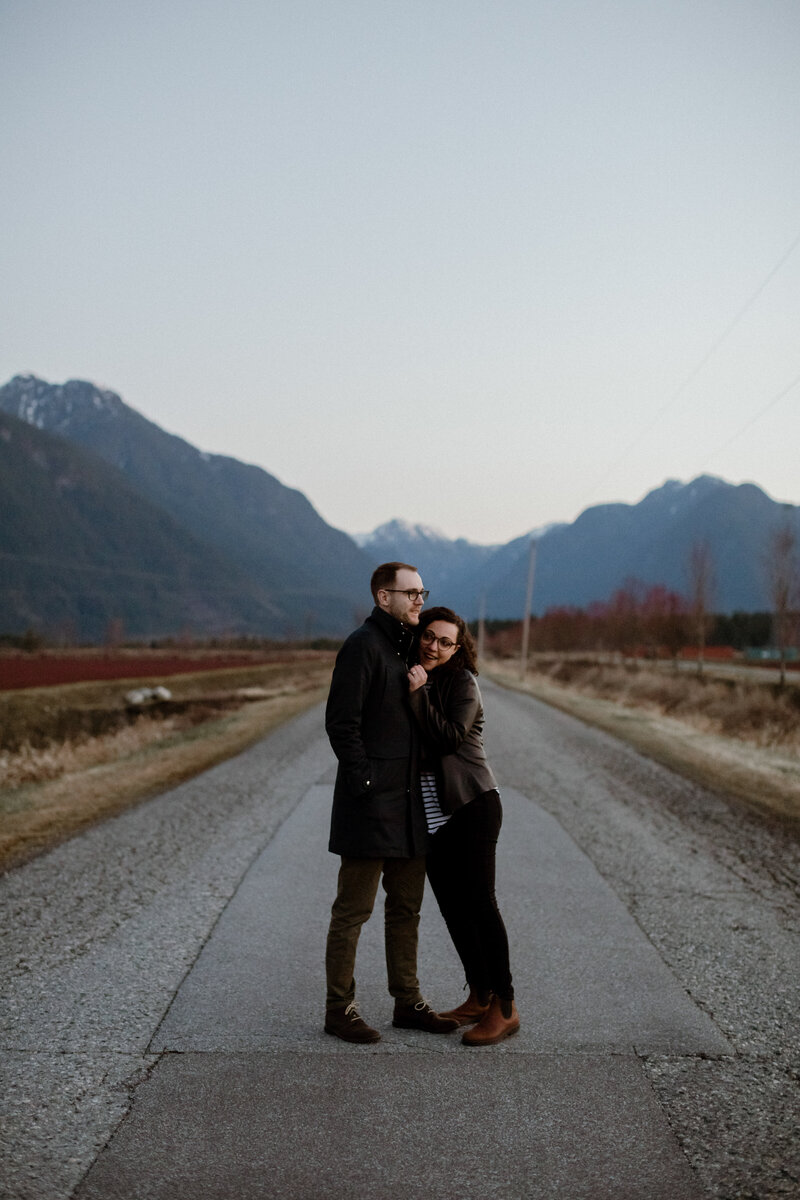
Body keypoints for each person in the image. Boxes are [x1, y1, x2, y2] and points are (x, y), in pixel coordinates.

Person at [323, 563, 459, 1044]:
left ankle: (408, 1002)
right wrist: (365, 784)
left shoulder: (407, 646)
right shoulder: (363, 646)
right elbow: (342, 724)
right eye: (411, 593)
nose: (420, 600)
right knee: (352, 911)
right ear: (384, 598)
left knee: (406, 909)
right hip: (371, 804)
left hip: (410, 807)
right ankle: (339, 1009)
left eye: (423, 591)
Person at [406, 605, 520, 1046]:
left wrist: (417, 697)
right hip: (433, 815)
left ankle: (505, 1007)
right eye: (429, 636)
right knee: (453, 910)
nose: (434, 646)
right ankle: (479, 994)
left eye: (445, 641)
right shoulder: (416, 673)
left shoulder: (463, 683)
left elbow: (450, 738)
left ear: (459, 647)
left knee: (480, 904)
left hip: (472, 805)